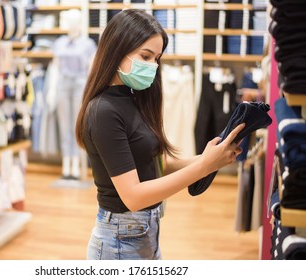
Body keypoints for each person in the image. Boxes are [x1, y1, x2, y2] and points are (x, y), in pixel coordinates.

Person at [75, 9, 245, 260]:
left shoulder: (134, 99)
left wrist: (208, 157)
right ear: (117, 49)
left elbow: (155, 164)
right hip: (120, 241)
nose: (153, 66)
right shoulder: (103, 111)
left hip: (146, 233)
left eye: (157, 58)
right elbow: (133, 196)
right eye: (146, 56)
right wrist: (203, 166)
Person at [52, 9, 97, 180]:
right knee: (64, 126)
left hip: (79, 85)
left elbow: (90, 69)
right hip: (63, 84)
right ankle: (66, 164)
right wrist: (52, 89)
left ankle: (78, 165)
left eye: (75, 20)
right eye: (69, 21)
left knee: (77, 125)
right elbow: (55, 68)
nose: (72, 24)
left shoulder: (87, 44)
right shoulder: (60, 42)